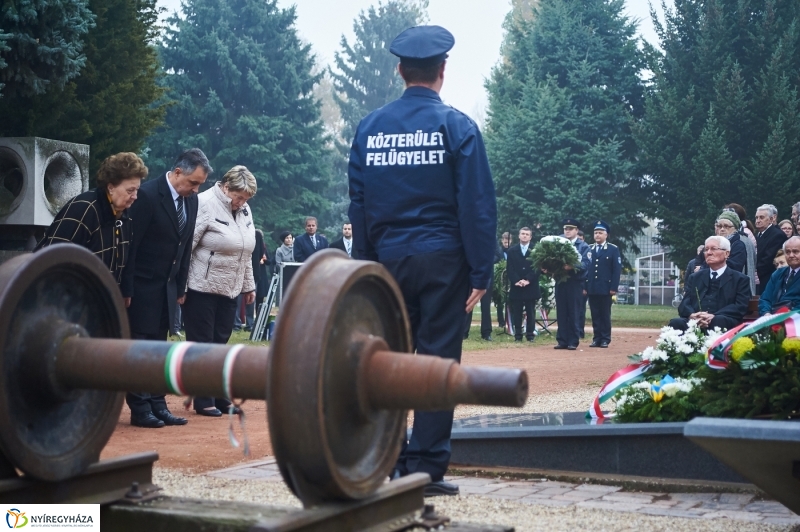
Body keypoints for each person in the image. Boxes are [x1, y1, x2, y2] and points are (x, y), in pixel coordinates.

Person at [348, 25, 496, 497]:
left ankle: (387, 458)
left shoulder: (369, 128)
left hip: (387, 260)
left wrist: (365, 268)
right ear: (442, 71)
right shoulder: (458, 127)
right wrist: (480, 269)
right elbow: (476, 205)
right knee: (437, 362)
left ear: (399, 70)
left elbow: (359, 204)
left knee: (387, 361)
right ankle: (427, 467)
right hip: (443, 262)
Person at [122, 148, 211, 428]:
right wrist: (127, 287)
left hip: (167, 289)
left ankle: (158, 404)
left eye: (199, 185)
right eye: (193, 183)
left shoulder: (191, 202)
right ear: (177, 173)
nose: (195, 190)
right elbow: (131, 247)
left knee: (160, 347)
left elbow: (184, 248)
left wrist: (180, 286)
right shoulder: (147, 196)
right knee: (141, 347)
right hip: (141, 287)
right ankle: (140, 407)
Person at [184, 165, 257, 416]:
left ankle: (220, 395)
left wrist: (249, 285)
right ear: (226, 188)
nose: (242, 203)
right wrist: (181, 286)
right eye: (239, 197)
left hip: (231, 288)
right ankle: (203, 399)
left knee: (222, 343)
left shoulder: (244, 209)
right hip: (201, 287)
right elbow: (187, 246)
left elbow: (246, 252)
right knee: (203, 344)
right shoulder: (203, 203)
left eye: (246, 199)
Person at [36, 152, 147, 285]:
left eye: (137, 190)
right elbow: (53, 257)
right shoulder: (84, 208)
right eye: (130, 191)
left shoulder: (124, 214)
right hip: (67, 297)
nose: (135, 196)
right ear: (111, 187)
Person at [669, 236, 750, 331]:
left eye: (713, 249)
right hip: (696, 321)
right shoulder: (695, 277)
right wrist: (692, 315)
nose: (708, 253)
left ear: (726, 253)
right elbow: (685, 303)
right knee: (675, 323)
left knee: (718, 321)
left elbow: (740, 307)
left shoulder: (740, 279)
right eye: (706, 249)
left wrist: (713, 316)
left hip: (724, 320)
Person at [552, 218, 591, 350]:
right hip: (561, 281)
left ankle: (573, 341)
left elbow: (586, 264)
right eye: (565, 229)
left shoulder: (583, 246)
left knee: (574, 312)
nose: (567, 231)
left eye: (570, 229)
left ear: (576, 230)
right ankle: (562, 340)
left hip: (575, 282)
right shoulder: (559, 244)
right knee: (561, 311)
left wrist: (572, 266)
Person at [586, 221, 621, 348]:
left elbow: (616, 270)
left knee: (605, 314)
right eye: (595, 233)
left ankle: (605, 338)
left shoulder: (613, 249)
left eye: (600, 233)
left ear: (606, 235)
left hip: (606, 288)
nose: (597, 235)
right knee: (595, 314)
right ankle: (596, 338)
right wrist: (585, 287)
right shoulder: (589, 248)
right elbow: (586, 269)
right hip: (592, 287)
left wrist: (613, 287)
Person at [506, 227, 540, 342]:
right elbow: (509, 268)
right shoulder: (512, 250)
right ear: (519, 236)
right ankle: (518, 335)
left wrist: (527, 280)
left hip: (531, 285)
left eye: (527, 234)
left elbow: (537, 267)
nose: (524, 236)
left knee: (530, 311)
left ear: (530, 237)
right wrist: (517, 280)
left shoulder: (536, 249)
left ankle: (530, 335)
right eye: (522, 234)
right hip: (517, 285)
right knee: (517, 311)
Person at [234, 227, 267, 331]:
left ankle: (241, 324)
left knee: (248, 298)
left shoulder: (256, 235)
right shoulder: (254, 234)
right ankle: (244, 324)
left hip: (252, 271)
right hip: (239, 270)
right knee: (239, 298)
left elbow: (262, 252)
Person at [759, 236, 800, 315]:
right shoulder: (777, 274)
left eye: (795, 251)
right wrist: (766, 313)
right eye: (787, 252)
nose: (791, 255)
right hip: (773, 318)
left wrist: (789, 316)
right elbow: (765, 299)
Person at [755, 204, 788, 295]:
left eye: (761, 217)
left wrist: (755, 271)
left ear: (770, 219)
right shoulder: (758, 235)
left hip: (767, 278)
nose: (758, 221)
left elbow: (769, 259)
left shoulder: (777, 235)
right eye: (756, 217)